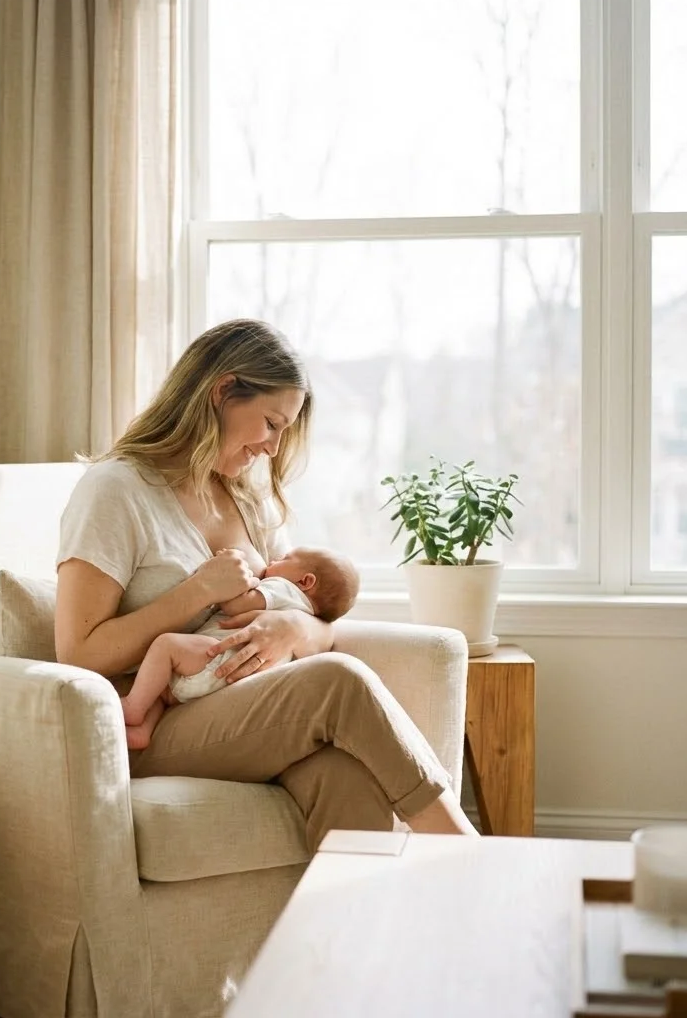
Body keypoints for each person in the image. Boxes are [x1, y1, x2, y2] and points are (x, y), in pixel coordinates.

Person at [55, 318, 478, 846]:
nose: (275, 448)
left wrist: (294, 630)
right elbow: (75, 654)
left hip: (237, 703)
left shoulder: (245, 498)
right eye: (271, 423)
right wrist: (197, 592)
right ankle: (463, 852)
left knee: (348, 780)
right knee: (338, 682)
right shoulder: (116, 490)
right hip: (147, 722)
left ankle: (344, 930)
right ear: (223, 392)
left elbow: (317, 621)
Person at [121, 546, 361, 749]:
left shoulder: (283, 588)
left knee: (166, 645)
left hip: (218, 658)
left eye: (286, 559)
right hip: (234, 682)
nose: (274, 560)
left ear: (306, 581)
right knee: (161, 688)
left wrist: (227, 575)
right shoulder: (302, 613)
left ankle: (134, 707)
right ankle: (141, 730)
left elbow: (236, 605)